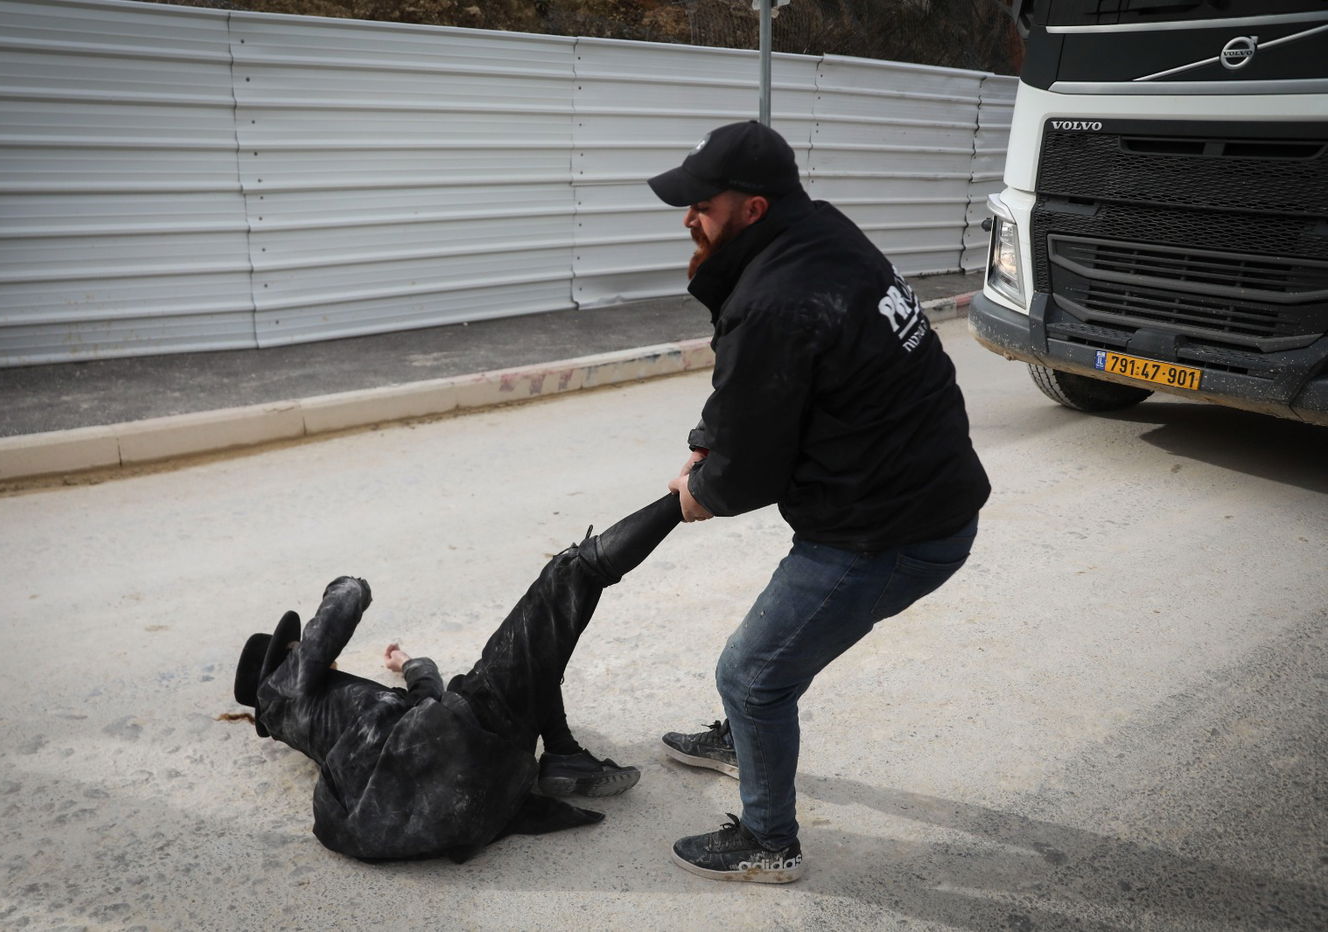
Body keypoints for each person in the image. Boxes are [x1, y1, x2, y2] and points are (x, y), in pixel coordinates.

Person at [646, 121, 991, 883]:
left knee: (751, 673)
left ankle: (770, 842)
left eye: (702, 204)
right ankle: (748, 737)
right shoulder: (817, 231)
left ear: (754, 208)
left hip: (889, 529)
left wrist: (704, 488)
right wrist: (714, 438)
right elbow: (766, 389)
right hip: (917, 492)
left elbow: (750, 466)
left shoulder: (777, 297)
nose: (688, 217)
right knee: (771, 664)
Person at [231, 493, 681, 862]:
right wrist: (341, 586)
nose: (312, 653)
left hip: (470, 784)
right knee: (565, 576)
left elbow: (420, 709)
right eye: (298, 647)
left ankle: (563, 753)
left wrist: (410, 665)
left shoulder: (331, 722)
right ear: (285, 661)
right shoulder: (282, 689)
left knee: (538, 655)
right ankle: (685, 501)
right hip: (465, 738)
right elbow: (349, 597)